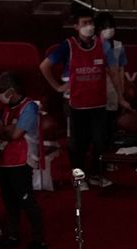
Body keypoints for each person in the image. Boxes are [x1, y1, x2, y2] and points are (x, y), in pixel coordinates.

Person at [43, 8, 115, 188]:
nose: (89, 27)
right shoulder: (67, 46)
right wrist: (58, 87)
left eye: (91, 23)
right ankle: (79, 177)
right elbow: (44, 66)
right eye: (84, 23)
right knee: (76, 144)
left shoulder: (102, 44)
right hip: (75, 104)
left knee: (99, 141)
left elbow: (112, 71)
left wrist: (120, 96)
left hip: (98, 103)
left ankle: (96, 174)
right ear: (76, 26)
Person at [0, 73, 48, 249]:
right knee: (9, 201)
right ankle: (13, 235)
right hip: (5, 161)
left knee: (27, 201)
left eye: (1, 91)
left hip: (22, 162)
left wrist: (6, 131)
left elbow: (16, 134)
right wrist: (6, 130)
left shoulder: (29, 108)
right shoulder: (6, 108)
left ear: (12, 91)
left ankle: (39, 240)